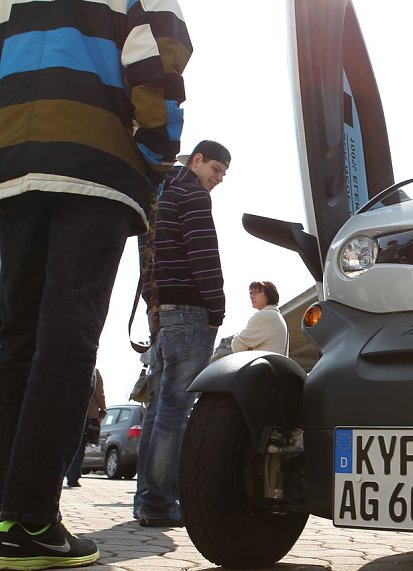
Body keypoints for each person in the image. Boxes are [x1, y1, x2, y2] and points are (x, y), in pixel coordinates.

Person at [0, 2, 191, 569]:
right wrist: (157, 153)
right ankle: (29, 521)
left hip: (11, 166)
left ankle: (6, 517)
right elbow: (156, 61)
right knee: (66, 341)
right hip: (93, 165)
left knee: (14, 341)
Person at [134, 140, 230, 528]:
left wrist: (152, 308)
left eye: (223, 174)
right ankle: (160, 502)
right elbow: (204, 257)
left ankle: (146, 500)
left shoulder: (158, 194)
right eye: (216, 169)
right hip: (190, 311)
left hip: (160, 313)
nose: (219, 178)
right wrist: (217, 310)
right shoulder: (193, 196)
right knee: (174, 412)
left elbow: (145, 261)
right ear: (197, 160)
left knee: (158, 409)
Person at [65, 370, 107, 488]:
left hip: (68, 411)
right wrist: (102, 410)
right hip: (86, 413)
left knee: (68, 445)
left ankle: (67, 474)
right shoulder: (94, 371)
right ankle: (73, 477)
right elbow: (99, 393)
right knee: (79, 446)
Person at [231, 281, 289, 355]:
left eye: (256, 292)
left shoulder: (263, 316)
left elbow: (237, 346)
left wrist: (248, 347)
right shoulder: (278, 316)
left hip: (263, 362)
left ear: (268, 294)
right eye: (251, 293)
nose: (251, 296)